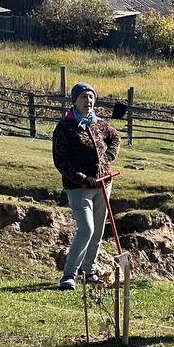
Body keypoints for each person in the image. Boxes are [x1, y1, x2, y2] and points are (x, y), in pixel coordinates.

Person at [51, 82, 120, 290]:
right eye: (83, 97)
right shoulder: (65, 127)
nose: (88, 101)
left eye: (91, 97)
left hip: (103, 185)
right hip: (79, 189)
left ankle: (90, 271)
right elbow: (60, 160)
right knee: (86, 230)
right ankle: (69, 275)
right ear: (74, 101)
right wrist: (80, 178)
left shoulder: (99, 124)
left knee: (98, 231)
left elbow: (115, 138)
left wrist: (108, 157)